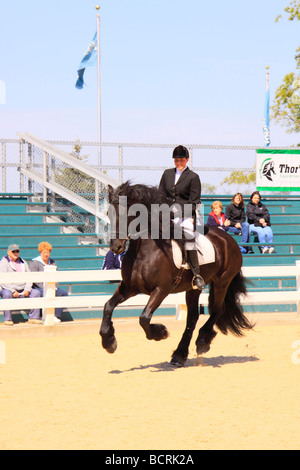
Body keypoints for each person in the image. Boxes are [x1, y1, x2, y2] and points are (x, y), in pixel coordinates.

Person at [159, 145, 206, 290]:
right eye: (176, 160)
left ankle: (196, 274)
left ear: (187, 159)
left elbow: (194, 202)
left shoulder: (193, 177)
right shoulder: (167, 174)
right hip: (166, 213)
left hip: (184, 215)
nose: (178, 162)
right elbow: (160, 194)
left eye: (181, 160)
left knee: (188, 236)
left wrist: (177, 212)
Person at [0, 244, 42, 326]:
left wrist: (27, 289)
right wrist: (12, 291)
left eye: (17, 251)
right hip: (8, 288)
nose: (15, 253)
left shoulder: (23, 262)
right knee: (7, 294)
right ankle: (8, 319)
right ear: (9, 252)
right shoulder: (3, 263)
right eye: (13, 251)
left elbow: (29, 277)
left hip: (23, 288)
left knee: (36, 293)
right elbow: (3, 280)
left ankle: (33, 318)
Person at [29, 242, 68, 323]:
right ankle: (41, 315)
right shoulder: (34, 262)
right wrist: (45, 287)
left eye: (48, 252)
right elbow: (35, 279)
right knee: (43, 293)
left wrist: (54, 287)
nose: (46, 254)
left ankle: (55, 315)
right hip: (38, 287)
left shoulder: (52, 262)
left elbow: (56, 276)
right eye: (44, 252)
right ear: (40, 252)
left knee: (62, 293)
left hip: (52, 286)